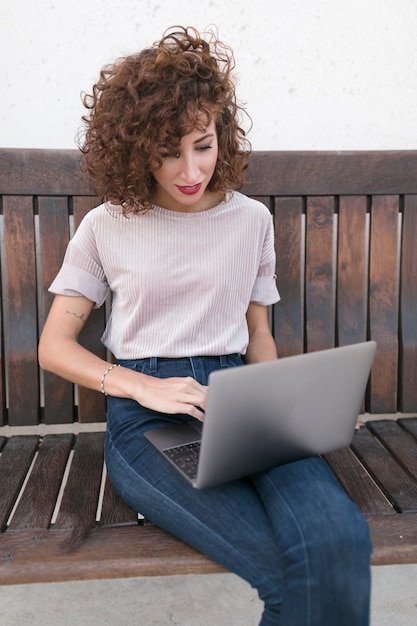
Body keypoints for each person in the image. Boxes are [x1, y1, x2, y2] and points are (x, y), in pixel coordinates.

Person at [38, 25, 372, 625]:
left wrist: (286, 411)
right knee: (289, 568)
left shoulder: (251, 221)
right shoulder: (106, 225)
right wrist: (141, 386)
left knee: (338, 540)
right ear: (135, 147)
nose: (188, 169)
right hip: (148, 419)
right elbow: (54, 347)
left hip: (243, 403)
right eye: (166, 152)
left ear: (222, 132)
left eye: (202, 143)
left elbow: (259, 333)